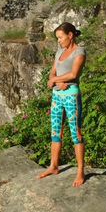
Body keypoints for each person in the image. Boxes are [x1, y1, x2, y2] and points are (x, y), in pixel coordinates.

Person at [37, 22, 87, 186]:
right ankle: (54, 166)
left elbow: (74, 74)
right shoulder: (60, 51)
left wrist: (56, 80)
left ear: (70, 35)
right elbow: (53, 71)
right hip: (57, 96)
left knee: (76, 133)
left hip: (71, 96)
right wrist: (56, 81)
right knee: (55, 131)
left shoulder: (79, 52)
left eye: (60, 37)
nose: (58, 41)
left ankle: (80, 172)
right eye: (57, 38)